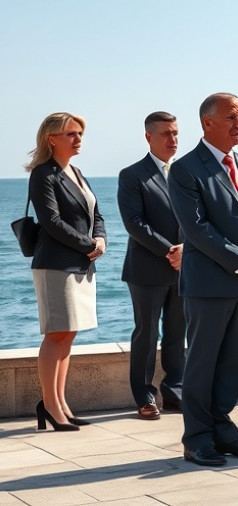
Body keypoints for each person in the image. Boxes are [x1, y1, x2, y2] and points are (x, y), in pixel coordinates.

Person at [168, 93, 238, 466]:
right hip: (209, 284)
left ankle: (223, 431)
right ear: (207, 122)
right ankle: (197, 438)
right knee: (202, 364)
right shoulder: (185, 169)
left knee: (235, 362)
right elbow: (195, 229)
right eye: (231, 118)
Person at [27, 112, 107, 431]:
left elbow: (95, 212)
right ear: (52, 138)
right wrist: (89, 244)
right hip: (55, 264)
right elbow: (51, 222)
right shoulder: (43, 174)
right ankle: (50, 406)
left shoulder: (76, 171)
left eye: (80, 134)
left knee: (68, 334)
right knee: (56, 334)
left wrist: (99, 238)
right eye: (71, 134)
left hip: (80, 264)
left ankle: (60, 403)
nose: (78, 139)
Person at [118, 111, 186, 420]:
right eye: (165, 134)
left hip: (185, 267)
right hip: (147, 270)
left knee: (177, 332)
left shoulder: (187, 173)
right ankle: (145, 396)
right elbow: (134, 223)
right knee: (146, 334)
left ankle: (175, 390)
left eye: (175, 133)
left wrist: (188, 251)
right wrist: (170, 250)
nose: (173, 139)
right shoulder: (132, 175)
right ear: (149, 137)